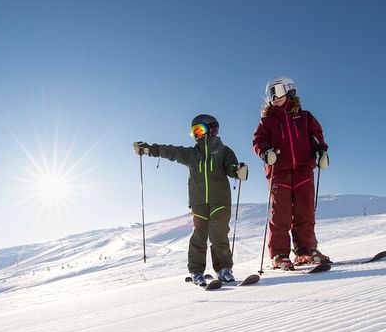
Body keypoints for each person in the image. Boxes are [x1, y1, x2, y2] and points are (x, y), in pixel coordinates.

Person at [133, 114, 248, 285]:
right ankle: (196, 272)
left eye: (200, 129)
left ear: (212, 129)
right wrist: (150, 149)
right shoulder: (192, 154)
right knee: (199, 236)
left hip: (220, 201)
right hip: (198, 201)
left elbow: (231, 167)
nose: (196, 134)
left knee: (219, 235)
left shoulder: (224, 151)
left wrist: (238, 171)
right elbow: (171, 151)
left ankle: (224, 269)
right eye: (194, 131)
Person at [253, 76, 331, 270]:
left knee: (305, 210)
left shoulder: (305, 117)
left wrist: (320, 150)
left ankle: (306, 250)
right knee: (281, 214)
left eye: (277, 91)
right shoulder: (267, 121)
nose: (273, 97)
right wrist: (265, 151)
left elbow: (316, 135)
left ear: (290, 91)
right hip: (279, 171)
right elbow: (258, 140)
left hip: (303, 169)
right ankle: (279, 254)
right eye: (270, 94)